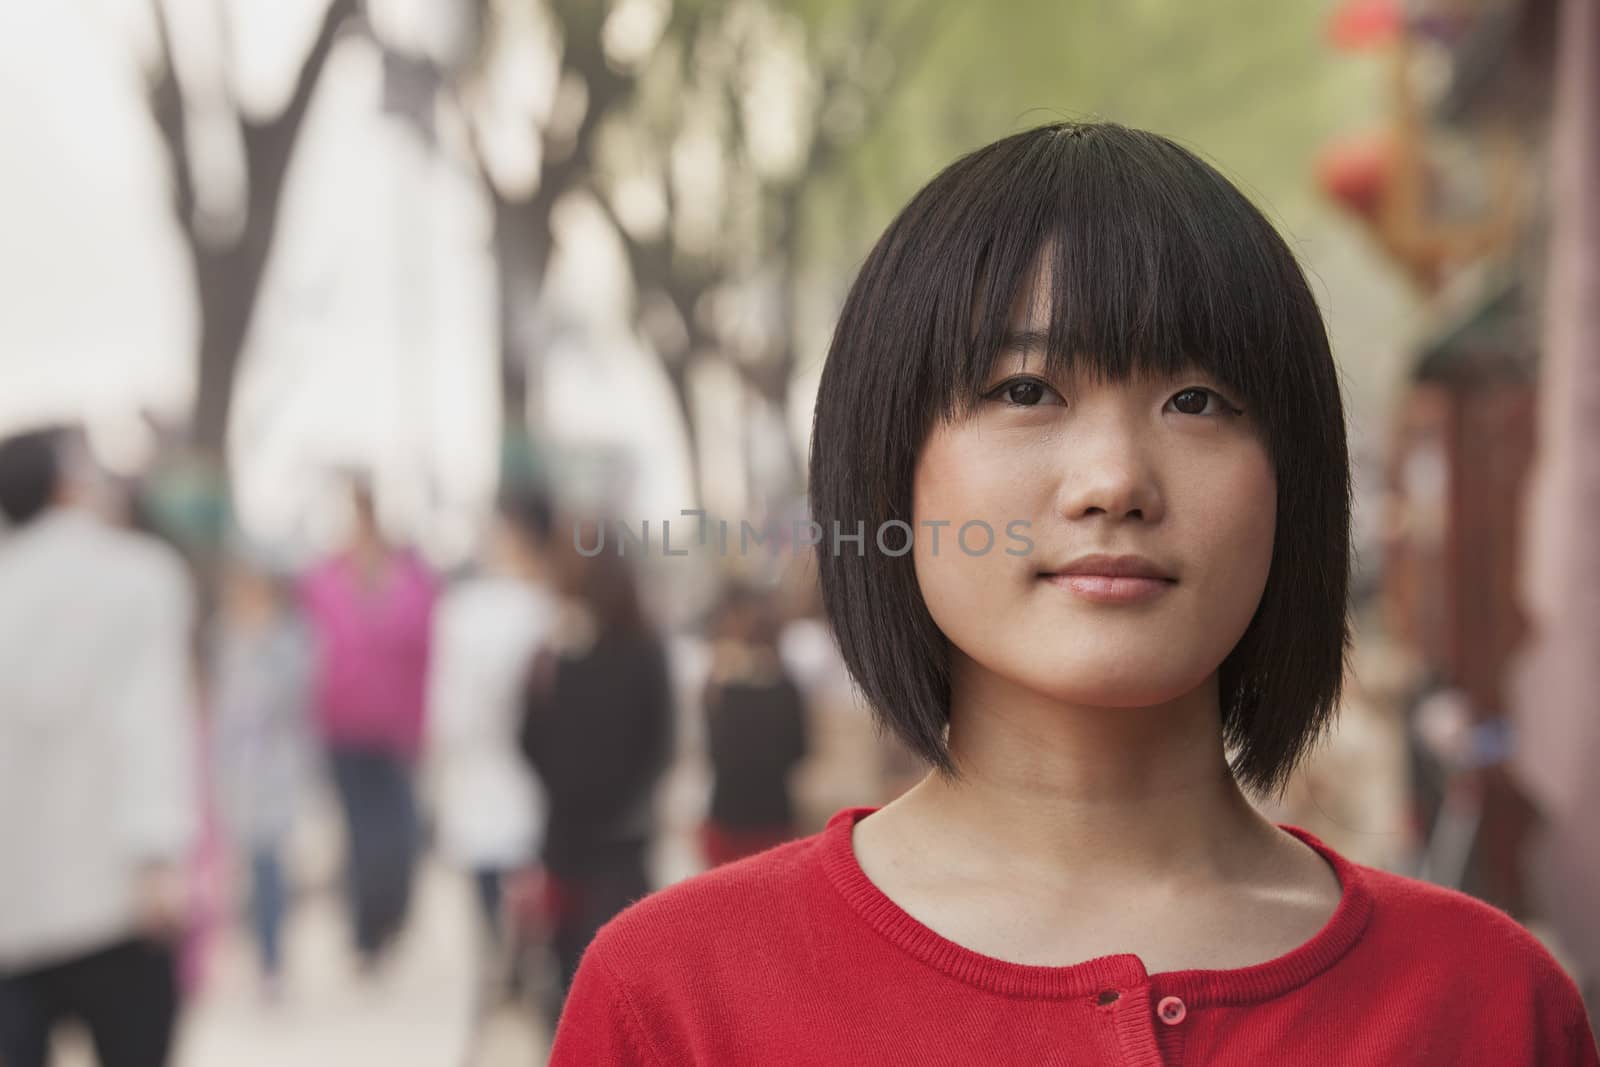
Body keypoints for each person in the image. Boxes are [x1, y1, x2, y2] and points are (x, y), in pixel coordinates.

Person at [546, 122, 1600, 1064]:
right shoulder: (678, 1000)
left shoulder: (1488, 1007)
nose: (1114, 482)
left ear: (1297, 484)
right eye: (1024, 391)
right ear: (886, 466)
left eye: (1197, 399)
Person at [0, 427, 200, 1067]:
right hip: (117, 895)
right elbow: (151, 721)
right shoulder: (141, 577)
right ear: (71, 484)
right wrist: (159, 852)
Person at [519, 514, 674, 1024]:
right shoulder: (645, 649)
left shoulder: (555, 653)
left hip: (573, 837)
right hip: (622, 835)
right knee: (625, 983)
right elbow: (660, 743)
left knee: (570, 982)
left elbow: (528, 739)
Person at [299, 478, 438, 970]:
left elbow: (428, 655)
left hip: (397, 726)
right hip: (341, 726)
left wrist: (426, 725)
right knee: (359, 834)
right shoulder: (322, 582)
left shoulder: (412, 581)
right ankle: (365, 932)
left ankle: (391, 917)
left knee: (399, 833)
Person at [425, 489, 557, 981]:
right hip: (527, 785)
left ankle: (502, 972)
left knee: (491, 897)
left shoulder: (467, 611)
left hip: (485, 778)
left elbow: (448, 710)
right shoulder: (548, 608)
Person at [209, 545, 315, 1000]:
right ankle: (249, 952)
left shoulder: (290, 639)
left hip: (275, 768)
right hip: (235, 771)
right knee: (243, 868)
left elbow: (292, 699)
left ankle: (271, 961)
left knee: (269, 865)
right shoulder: (223, 636)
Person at [697, 579, 810, 867]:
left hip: (739, 817)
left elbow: (713, 752)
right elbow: (798, 750)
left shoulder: (719, 684)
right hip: (766, 816)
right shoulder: (785, 684)